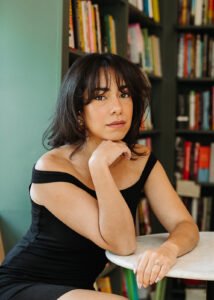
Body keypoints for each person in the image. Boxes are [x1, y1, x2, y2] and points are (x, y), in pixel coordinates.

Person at [0, 53, 199, 300]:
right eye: (100, 97)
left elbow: (186, 225)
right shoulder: (52, 168)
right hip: (23, 285)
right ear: (79, 112)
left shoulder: (140, 159)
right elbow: (123, 244)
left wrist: (169, 250)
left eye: (124, 94)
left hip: (78, 290)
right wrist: (99, 167)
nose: (117, 107)